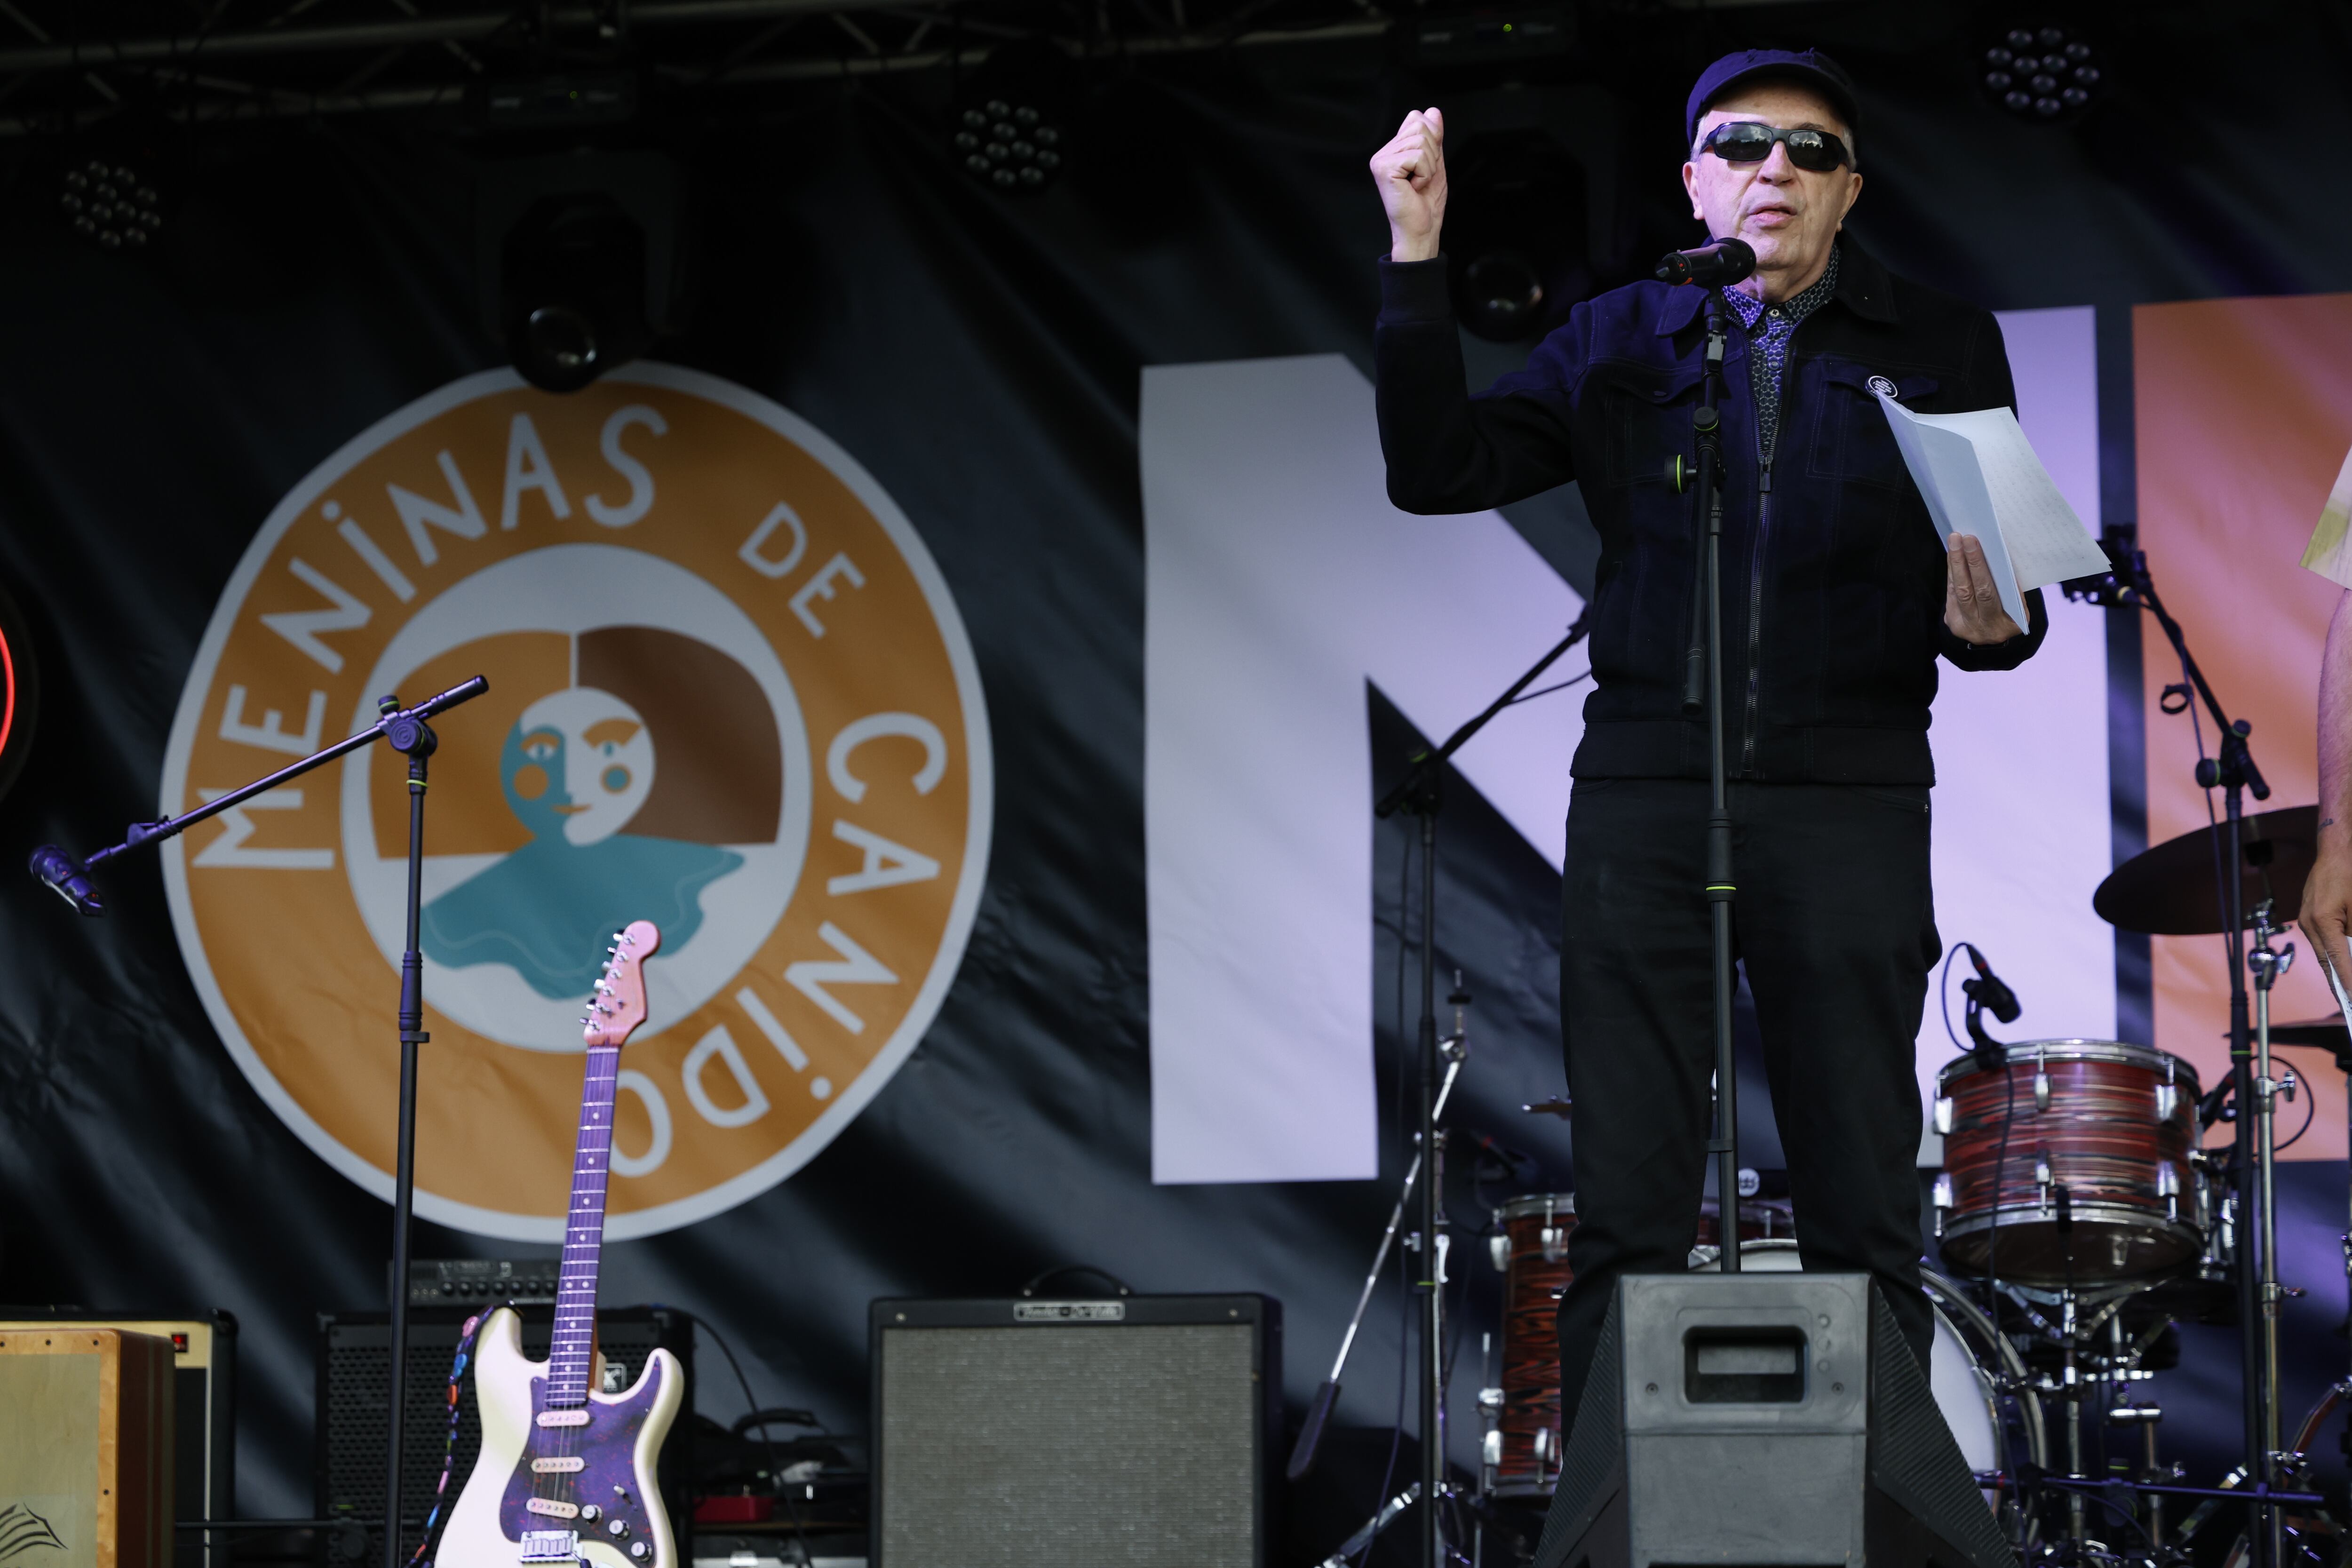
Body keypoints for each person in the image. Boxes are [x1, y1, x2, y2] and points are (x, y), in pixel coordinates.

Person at [1367, 48, 2048, 1412]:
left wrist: (1994, 625)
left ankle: (1886, 1513)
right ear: (1695, 179)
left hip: (1848, 794)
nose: (1773, 170)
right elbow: (1440, 471)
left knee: (1862, 1198)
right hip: (1646, 792)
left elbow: (2004, 595)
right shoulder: (1625, 332)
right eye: (1742, 145)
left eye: (1809, 151)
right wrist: (1416, 250)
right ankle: (1626, 1516)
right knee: (1629, 1205)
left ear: (1850, 190)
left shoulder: (1940, 339)